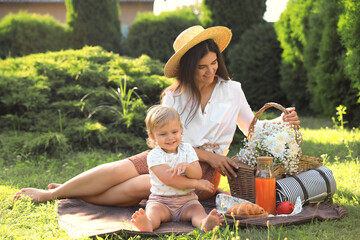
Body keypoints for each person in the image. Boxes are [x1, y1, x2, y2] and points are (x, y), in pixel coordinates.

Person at [14, 25, 300, 206]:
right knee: (118, 169)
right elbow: (165, 139)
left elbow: (252, 127)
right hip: (167, 153)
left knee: (141, 185)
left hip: (199, 171)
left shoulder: (232, 90)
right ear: (188, 68)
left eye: (214, 63)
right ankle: (52, 193)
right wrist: (206, 153)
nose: (210, 71)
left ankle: (71, 193)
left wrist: (281, 121)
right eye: (202, 66)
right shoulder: (173, 96)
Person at [131, 104, 224, 232]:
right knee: (154, 212)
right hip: (161, 201)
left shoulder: (187, 150)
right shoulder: (154, 155)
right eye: (163, 134)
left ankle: (204, 223)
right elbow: (170, 179)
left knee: (197, 211)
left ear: (181, 130)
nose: (170, 137)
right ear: (152, 136)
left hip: (187, 200)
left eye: (174, 132)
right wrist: (197, 184)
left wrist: (187, 167)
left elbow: (197, 173)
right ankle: (148, 224)